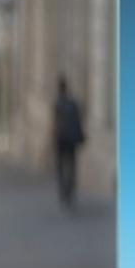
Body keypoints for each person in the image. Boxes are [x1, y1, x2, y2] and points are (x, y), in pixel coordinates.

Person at [51, 75, 85, 210]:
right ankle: (71, 188)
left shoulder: (58, 103)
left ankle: (63, 190)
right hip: (71, 139)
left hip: (61, 139)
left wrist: (52, 138)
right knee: (72, 164)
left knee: (60, 165)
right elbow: (78, 121)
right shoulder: (73, 103)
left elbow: (54, 124)